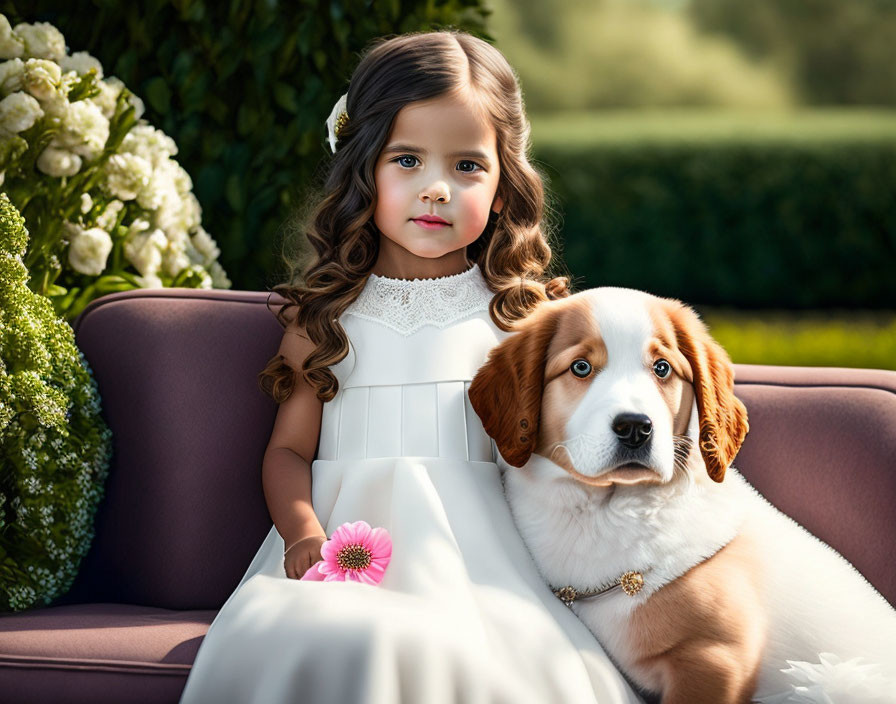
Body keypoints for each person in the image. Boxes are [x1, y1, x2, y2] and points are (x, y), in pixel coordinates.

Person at [179, 29, 645, 704]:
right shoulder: (324, 319)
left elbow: (557, 455)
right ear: (364, 166)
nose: (436, 189)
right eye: (407, 160)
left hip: (486, 568)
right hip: (341, 563)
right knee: (337, 642)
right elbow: (286, 451)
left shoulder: (522, 320)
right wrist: (304, 535)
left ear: (504, 182)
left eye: (466, 167)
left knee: (508, 666)